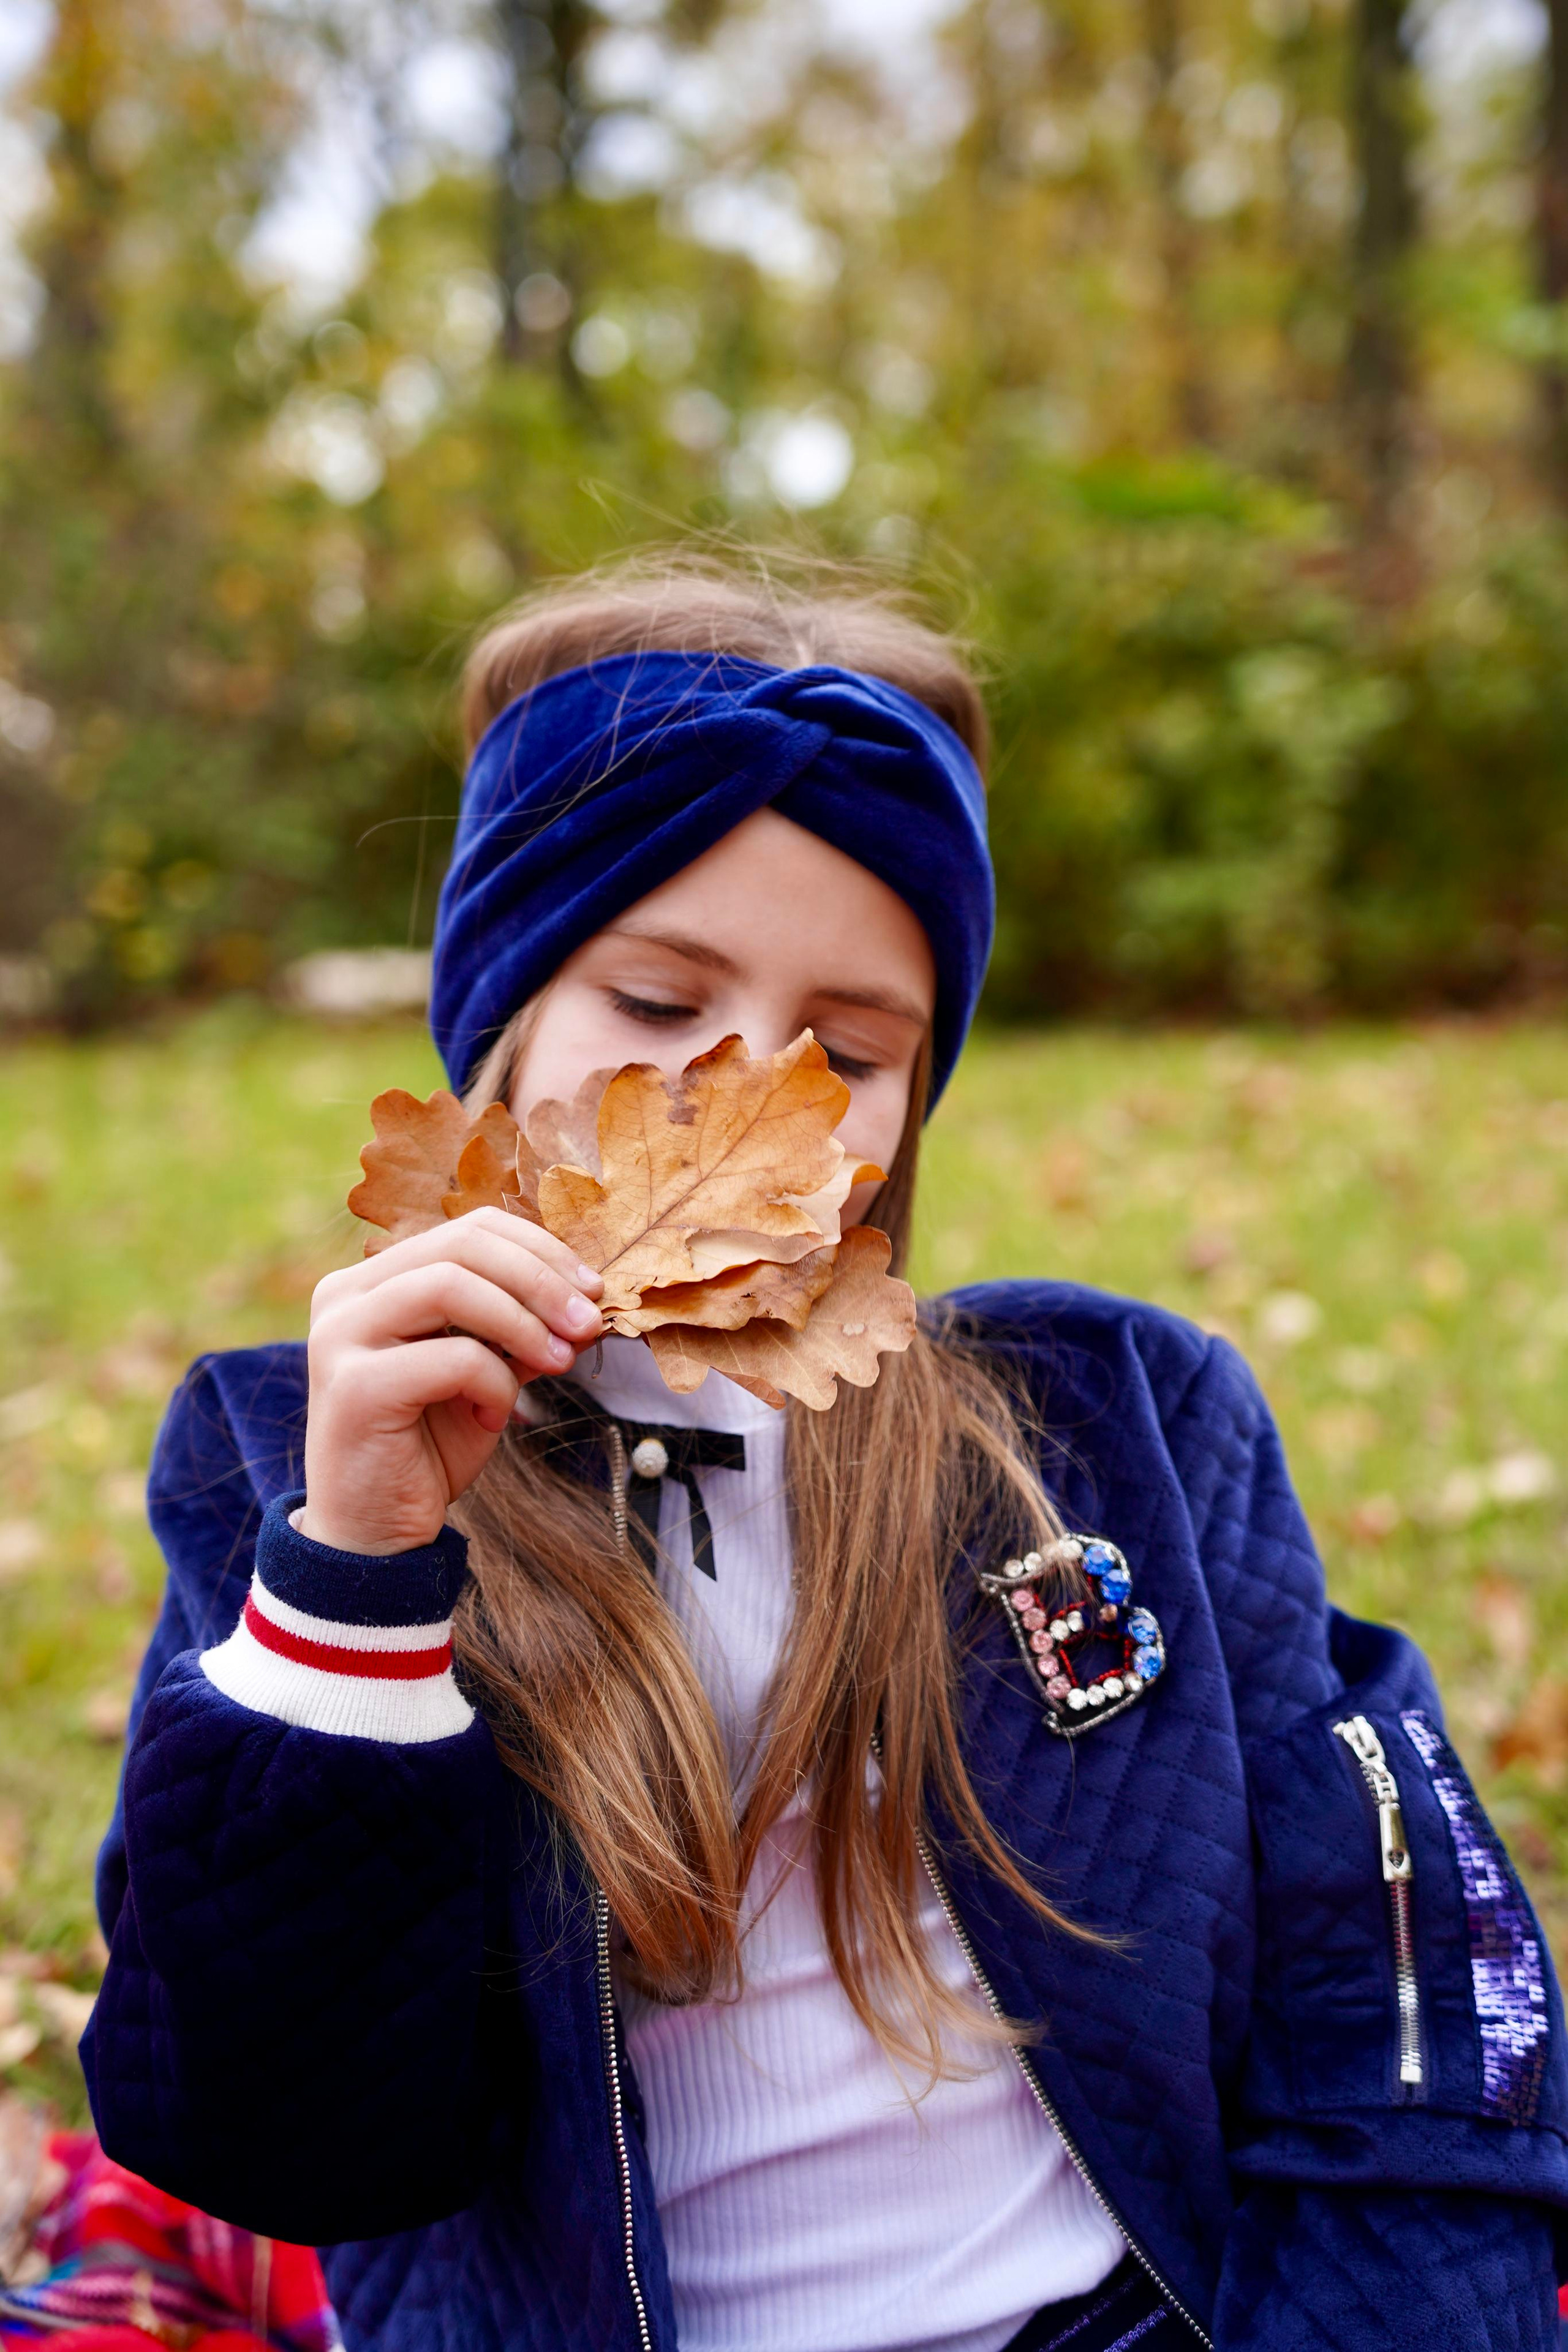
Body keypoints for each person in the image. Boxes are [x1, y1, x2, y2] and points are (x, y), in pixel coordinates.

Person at [84, 557, 1567, 2352]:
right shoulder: (289, 1465)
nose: (751, 1093)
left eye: (850, 1049)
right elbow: (281, 2139)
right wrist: (361, 1582)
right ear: (506, 1019)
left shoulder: (1118, 1426)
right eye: (651, 1004)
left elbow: (1395, 1972)